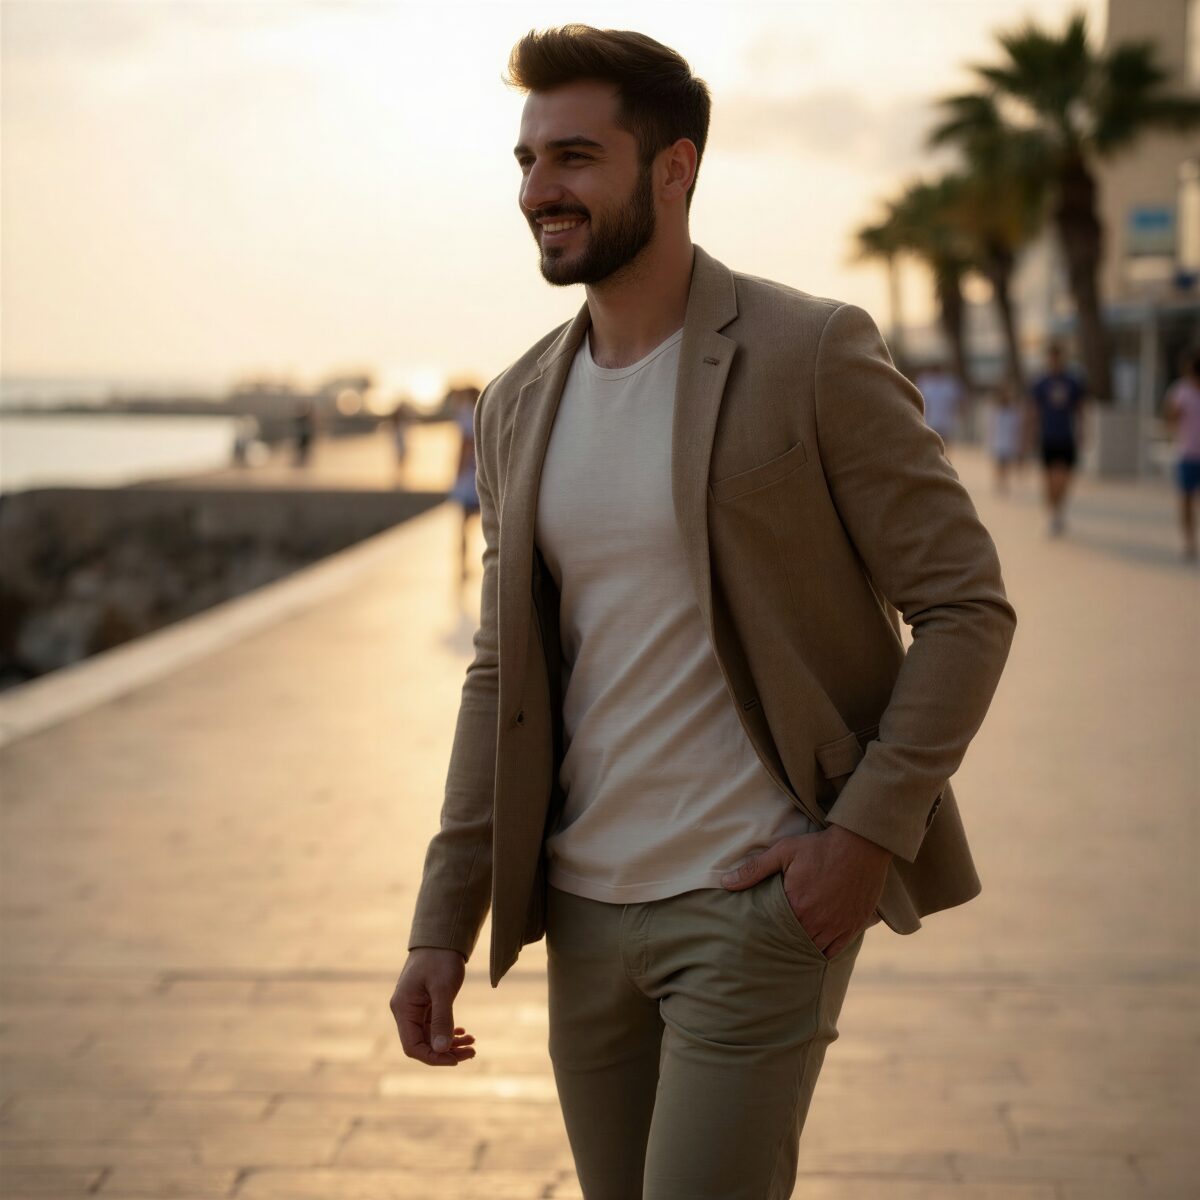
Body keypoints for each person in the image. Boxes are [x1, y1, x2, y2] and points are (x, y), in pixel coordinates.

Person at [390, 26, 1016, 1200]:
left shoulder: (810, 351)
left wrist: (862, 837)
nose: (539, 192)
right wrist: (442, 925)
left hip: (754, 902)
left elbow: (967, 606)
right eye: (526, 162)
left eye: (573, 157)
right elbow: (501, 676)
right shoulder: (520, 399)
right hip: (581, 912)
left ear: (672, 168)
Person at [1029, 343, 1087, 535]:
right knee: (1049, 479)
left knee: (1065, 478)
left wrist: (1083, 431)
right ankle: (1054, 513)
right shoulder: (1041, 383)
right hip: (1048, 437)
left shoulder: (1073, 382)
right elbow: (1034, 411)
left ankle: (1059, 509)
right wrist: (1032, 434)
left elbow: (1080, 409)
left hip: (1066, 437)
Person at [1163, 352, 1200, 562]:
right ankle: (1189, 540)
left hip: (1188, 454)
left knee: (1188, 501)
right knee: (1186, 500)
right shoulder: (1182, 392)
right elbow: (1170, 416)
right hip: (1187, 453)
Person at [448, 387, 482, 581]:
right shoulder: (479, 411)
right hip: (477, 477)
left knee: (463, 525)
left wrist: (457, 474)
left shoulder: (466, 414)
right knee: (484, 525)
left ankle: (462, 566)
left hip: (469, 480)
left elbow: (465, 446)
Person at [988, 375, 1026, 495]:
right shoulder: (996, 410)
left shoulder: (1013, 411)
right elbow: (992, 426)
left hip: (1009, 441)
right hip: (998, 440)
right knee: (999, 462)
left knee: (1006, 463)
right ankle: (999, 482)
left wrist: (1019, 441)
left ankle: (1005, 482)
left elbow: (1017, 428)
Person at [915, 359, 964, 447]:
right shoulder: (925, 382)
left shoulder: (948, 383)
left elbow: (957, 400)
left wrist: (957, 413)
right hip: (929, 420)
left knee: (944, 445)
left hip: (945, 421)